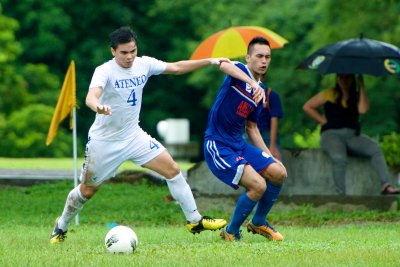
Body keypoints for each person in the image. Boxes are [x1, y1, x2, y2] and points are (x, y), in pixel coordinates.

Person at [50, 26, 231, 244]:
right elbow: (91, 96)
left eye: (133, 51)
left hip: (134, 136)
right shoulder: (104, 71)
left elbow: (177, 67)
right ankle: (61, 226)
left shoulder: (144, 64)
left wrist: (211, 61)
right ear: (113, 51)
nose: (129, 57)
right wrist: (98, 107)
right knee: (87, 191)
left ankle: (195, 221)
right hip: (104, 142)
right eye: (124, 52)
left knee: (173, 170)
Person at [204, 37, 288, 242]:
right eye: (259, 56)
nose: (264, 61)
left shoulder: (261, 93)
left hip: (238, 144)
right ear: (248, 57)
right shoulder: (240, 71)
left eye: (267, 57)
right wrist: (251, 82)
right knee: (258, 185)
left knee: (279, 172)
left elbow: (252, 128)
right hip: (218, 144)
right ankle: (231, 232)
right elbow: (223, 64)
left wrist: (270, 156)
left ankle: (259, 222)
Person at [303, 74, 400, 195]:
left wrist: (362, 85)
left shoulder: (356, 95)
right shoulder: (329, 93)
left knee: (374, 148)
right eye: (341, 77)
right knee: (339, 157)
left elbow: (363, 110)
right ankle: (341, 194)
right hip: (332, 135)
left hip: (352, 135)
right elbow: (308, 106)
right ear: (337, 79)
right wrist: (323, 121)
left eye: (347, 77)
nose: (343, 80)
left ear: (351, 79)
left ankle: (386, 185)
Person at [243, 84, 284, 161]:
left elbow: (274, 120)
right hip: (249, 133)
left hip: (266, 134)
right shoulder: (245, 94)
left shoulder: (270, 95)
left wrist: (272, 146)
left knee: (272, 162)